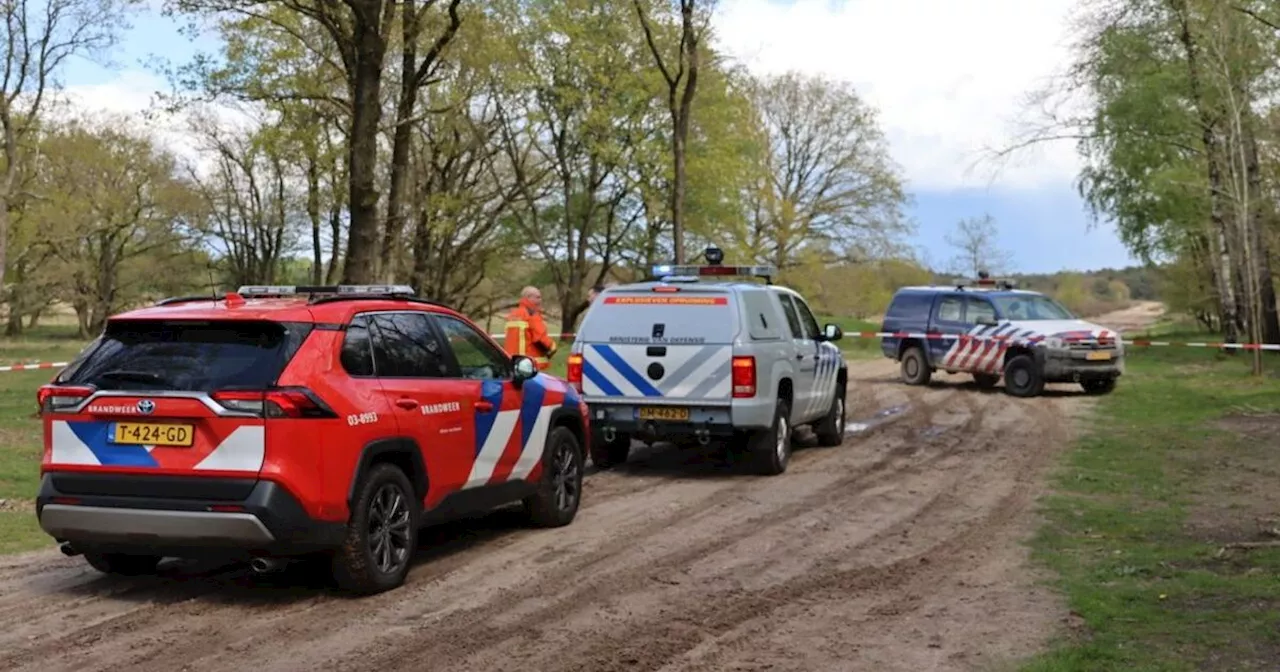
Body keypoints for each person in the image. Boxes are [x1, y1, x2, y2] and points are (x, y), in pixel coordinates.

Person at [503, 286, 557, 370]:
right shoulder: (531, 314)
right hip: (529, 365)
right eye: (537, 297)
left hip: (513, 363)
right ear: (528, 297)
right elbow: (540, 338)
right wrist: (553, 347)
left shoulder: (513, 315)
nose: (540, 300)